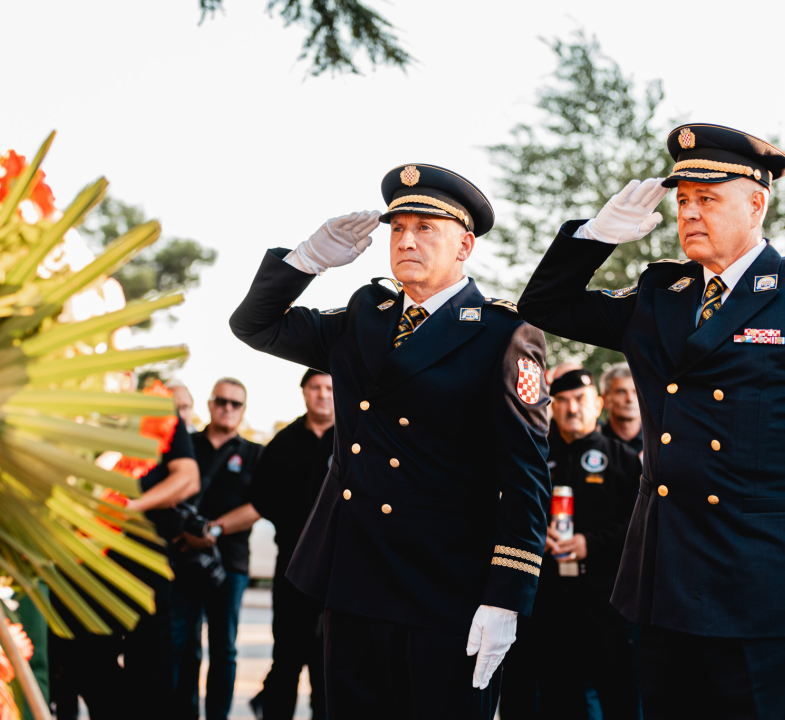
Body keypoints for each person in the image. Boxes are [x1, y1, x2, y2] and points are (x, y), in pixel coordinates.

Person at [518, 123, 785, 719]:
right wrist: (595, 236)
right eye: (683, 200)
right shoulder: (663, 293)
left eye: (707, 198)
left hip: (770, 587)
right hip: (667, 581)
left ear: (756, 203)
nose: (689, 212)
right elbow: (544, 305)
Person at [230, 163, 551, 719]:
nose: (406, 240)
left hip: (446, 591)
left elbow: (525, 479)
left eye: (426, 228)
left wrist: (507, 596)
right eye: (397, 228)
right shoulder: (366, 315)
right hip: (355, 581)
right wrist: (305, 261)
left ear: (465, 245)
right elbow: (255, 326)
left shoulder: (503, 333)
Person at [50, 380, 200, 720]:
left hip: (141, 555)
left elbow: (188, 477)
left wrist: (131, 506)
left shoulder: (155, 414)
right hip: (80, 557)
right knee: (85, 663)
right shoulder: (72, 413)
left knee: (152, 664)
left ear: (133, 379)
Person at [501, 369, 640, 719]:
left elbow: (638, 526)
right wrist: (536, 532)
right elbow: (509, 509)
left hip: (607, 603)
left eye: (580, 399)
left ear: (599, 404)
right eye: (561, 401)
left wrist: (589, 543)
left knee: (618, 693)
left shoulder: (623, 458)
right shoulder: (536, 458)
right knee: (557, 696)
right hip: (548, 604)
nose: (571, 408)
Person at [172, 377, 263, 720]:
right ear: (209, 404)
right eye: (221, 401)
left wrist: (215, 528)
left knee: (224, 648)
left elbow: (260, 505)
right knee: (182, 645)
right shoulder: (186, 444)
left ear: (243, 411)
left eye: (235, 404)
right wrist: (186, 530)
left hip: (230, 563)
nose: (227, 408)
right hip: (182, 556)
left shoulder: (255, 453)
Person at [249, 368, 335, 720]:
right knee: (286, 658)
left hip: (337, 573)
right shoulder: (282, 443)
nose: (323, 394)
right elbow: (261, 497)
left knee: (326, 664)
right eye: (316, 387)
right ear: (304, 392)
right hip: (291, 569)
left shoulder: (354, 438)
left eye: (330, 388)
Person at [599, 363, 643, 454]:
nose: (630, 399)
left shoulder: (658, 441)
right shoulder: (594, 442)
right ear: (605, 400)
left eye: (636, 392)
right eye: (621, 392)